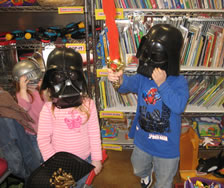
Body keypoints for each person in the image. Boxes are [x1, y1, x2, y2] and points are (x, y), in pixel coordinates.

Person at [107, 24, 189, 188]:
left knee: (165, 182)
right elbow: (128, 85)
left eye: (155, 56)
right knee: (137, 168)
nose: (148, 61)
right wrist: (120, 80)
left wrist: (162, 84)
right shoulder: (143, 77)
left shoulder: (179, 82)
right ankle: (145, 175)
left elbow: (178, 106)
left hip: (166, 147)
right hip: (143, 140)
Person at [37, 47, 102, 188]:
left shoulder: (89, 105)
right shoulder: (48, 110)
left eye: (71, 75)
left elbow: (94, 133)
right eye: (59, 76)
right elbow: (43, 140)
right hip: (60, 165)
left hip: (85, 161)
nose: (67, 82)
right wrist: (54, 164)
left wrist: (97, 159)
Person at [13, 59, 45, 164]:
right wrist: (23, 89)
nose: (35, 83)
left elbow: (48, 106)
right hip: (33, 134)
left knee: (47, 156)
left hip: (45, 132)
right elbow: (23, 109)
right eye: (31, 81)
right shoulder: (22, 95)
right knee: (38, 158)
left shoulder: (38, 91)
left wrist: (43, 89)